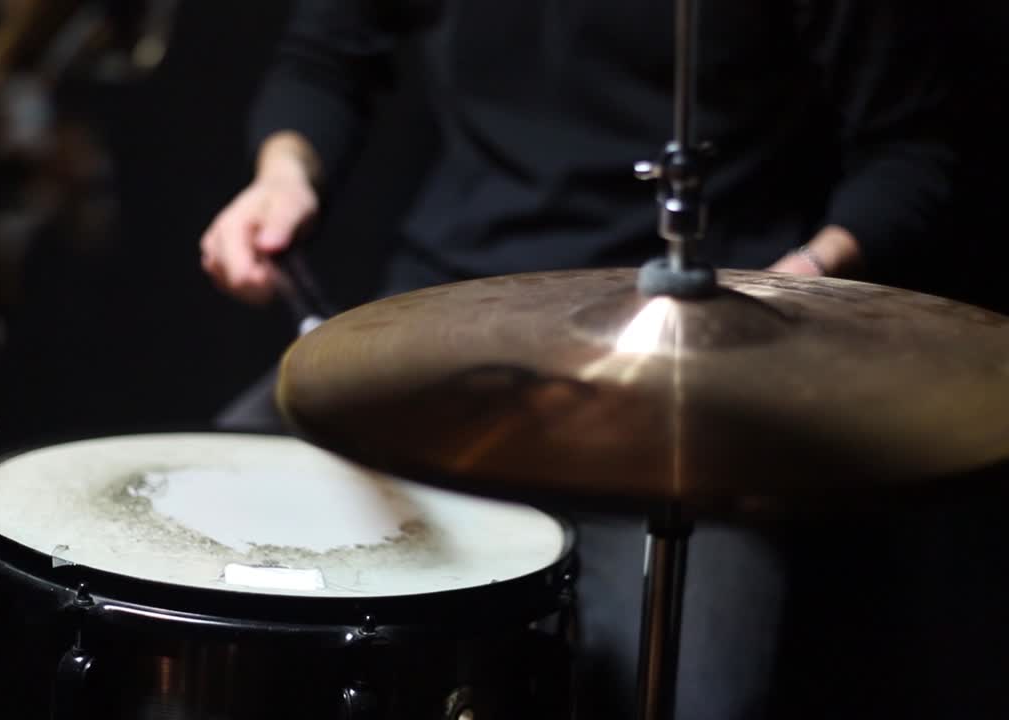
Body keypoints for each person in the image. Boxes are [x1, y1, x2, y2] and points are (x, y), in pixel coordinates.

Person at [200, 1, 962, 718]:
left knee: (693, 699)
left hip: (691, 382)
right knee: (187, 587)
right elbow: (323, 58)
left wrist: (796, 281)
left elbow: (916, 149)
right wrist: (284, 175)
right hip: (438, 335)